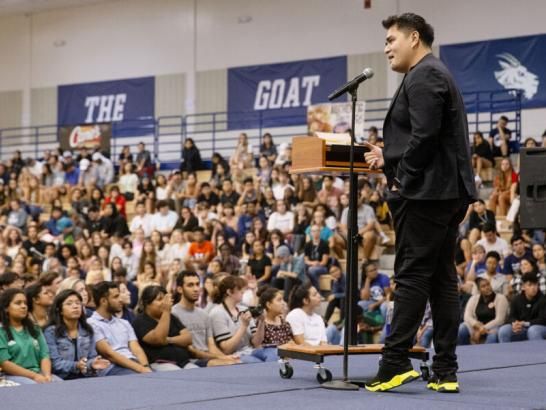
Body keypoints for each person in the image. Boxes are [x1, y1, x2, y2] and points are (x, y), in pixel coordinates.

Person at [363, 13, 476, 393]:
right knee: (442, 278)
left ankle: (394, 361)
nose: (386, 48)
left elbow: (425, 136)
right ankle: (445, 369)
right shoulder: (434, 72)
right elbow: (428, 136)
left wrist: (400, 179)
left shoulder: (424, 74)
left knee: (411, 275)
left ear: (414, 38)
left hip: (426, 193)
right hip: (444, 192)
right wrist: (389, 157)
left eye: (391, 40)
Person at [171, 271, 239, 367]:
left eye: (197, 284)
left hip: (208, 357)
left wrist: (227, 357)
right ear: (179, 289)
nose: (196, 289)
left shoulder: (204, 314)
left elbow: (211, 345)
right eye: (190, 285)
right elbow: (191, 351)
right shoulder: (173, 314)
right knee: (227, 364)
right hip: (190, 360)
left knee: (236, 363)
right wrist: (222, 358)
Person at [88, 282, 152, 375]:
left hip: (133, 364)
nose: (121, 299)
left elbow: (136, 349)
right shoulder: (92, 323)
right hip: (112, 367)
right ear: (103, 301)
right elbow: (109, 354)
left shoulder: (124, 323)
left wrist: (146, 367)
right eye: (116, 297)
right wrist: (141, 369)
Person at [44, 290, 110, 379]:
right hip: (62, 378)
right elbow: (55, 364)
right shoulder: (51, 332)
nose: (75, 306)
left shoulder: (87, 330)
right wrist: (76, 365)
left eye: (78, 303)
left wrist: (92, 363)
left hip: (85, 376)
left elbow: (91, 357)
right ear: (60, 310)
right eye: (69, 304)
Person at [0, 288, 61, 384]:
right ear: (6, 308)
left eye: (25, 303)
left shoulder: (34, 328)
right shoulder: (1, 331)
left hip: (38, 373)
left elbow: (44, 355)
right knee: (34, 386)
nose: (23, 306)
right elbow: (5, 363)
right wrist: (34, 376)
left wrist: (47, 375)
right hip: (12, 376)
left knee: (59, 383)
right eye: (18, 303)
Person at [132, 285, 194, 371]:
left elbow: (188, 338)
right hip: (159, 363)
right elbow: (159, 339)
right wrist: (166, 311)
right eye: (160, 299)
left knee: (197, 372)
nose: (164, 303)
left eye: (165, 299)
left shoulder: (171, 317)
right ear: (147, 303)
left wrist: (169, 340)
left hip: (184, 362)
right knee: (178, 374)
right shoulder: (139, 321)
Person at [209, 276, 269, 363]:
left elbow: (256, 343)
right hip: (235, 355)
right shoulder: (217, 313)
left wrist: (261, 322)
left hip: (251, 351)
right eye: (240, 289)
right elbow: (227, 350)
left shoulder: (244, 309)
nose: (243, 291)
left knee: (274, 354)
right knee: (257, 362)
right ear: (229, 292)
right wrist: (244, 326)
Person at [458, 278, 508, 345]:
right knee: (462, 328)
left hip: (493, 326)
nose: (487, 287)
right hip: (477, 326)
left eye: (488, 284)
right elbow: (467, 316)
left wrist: (482, 328)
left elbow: (499, 320)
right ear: (479, 290)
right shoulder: (474, 299)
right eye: (483, 286)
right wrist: (476, 325)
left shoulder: (500, 298)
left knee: (492, 336)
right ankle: (464, 352)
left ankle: (488, 354)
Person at [498, 273, 546, 342]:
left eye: (535, 285)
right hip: (522, 328)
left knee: (533, 330)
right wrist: (515, 323)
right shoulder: (516, 299)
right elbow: (510, 317)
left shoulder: (543, 299)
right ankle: (506, 352)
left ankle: (539, 352)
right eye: (530, 285)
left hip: (540, 328)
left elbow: (543, 320)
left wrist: (525, 323)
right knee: (504, 330)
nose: (533, 288)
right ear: (523, 287)